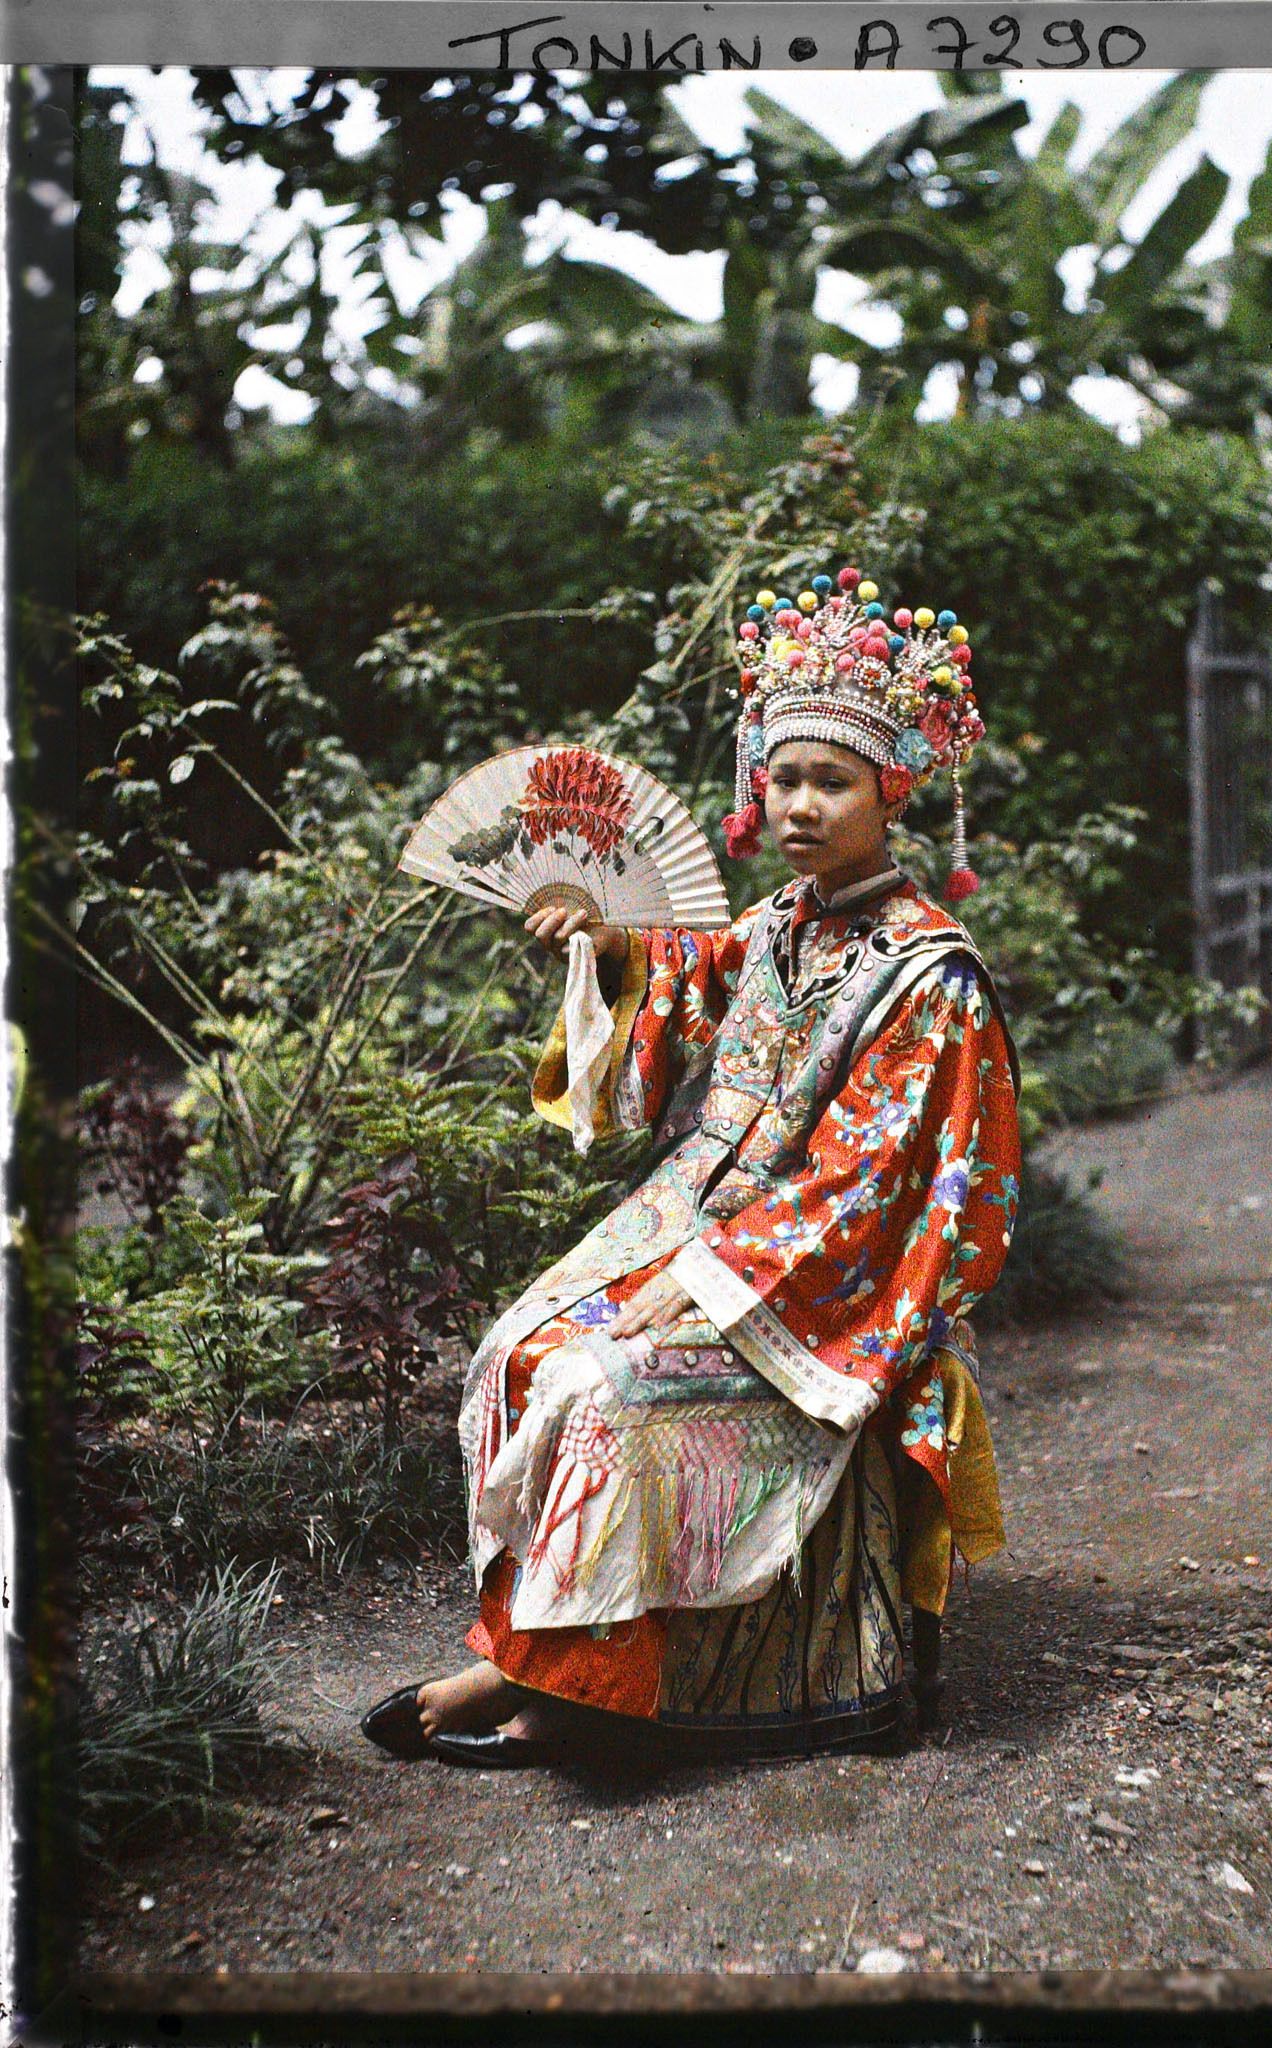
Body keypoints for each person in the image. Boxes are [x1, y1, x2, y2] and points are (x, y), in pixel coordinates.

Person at [362, 566, 1021, 1768]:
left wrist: (716, 1278)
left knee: (604, 1389)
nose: (802, 805)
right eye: (784, 779)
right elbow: (694, 966)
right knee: (527, 1345)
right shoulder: (778, 923)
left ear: (893, 789)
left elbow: (877, 1181)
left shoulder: (930, 976)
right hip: (701, 1216)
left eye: (833, 780)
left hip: (826, 1281)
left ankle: (561, 1691)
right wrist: (610, 944)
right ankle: (536, 1661)